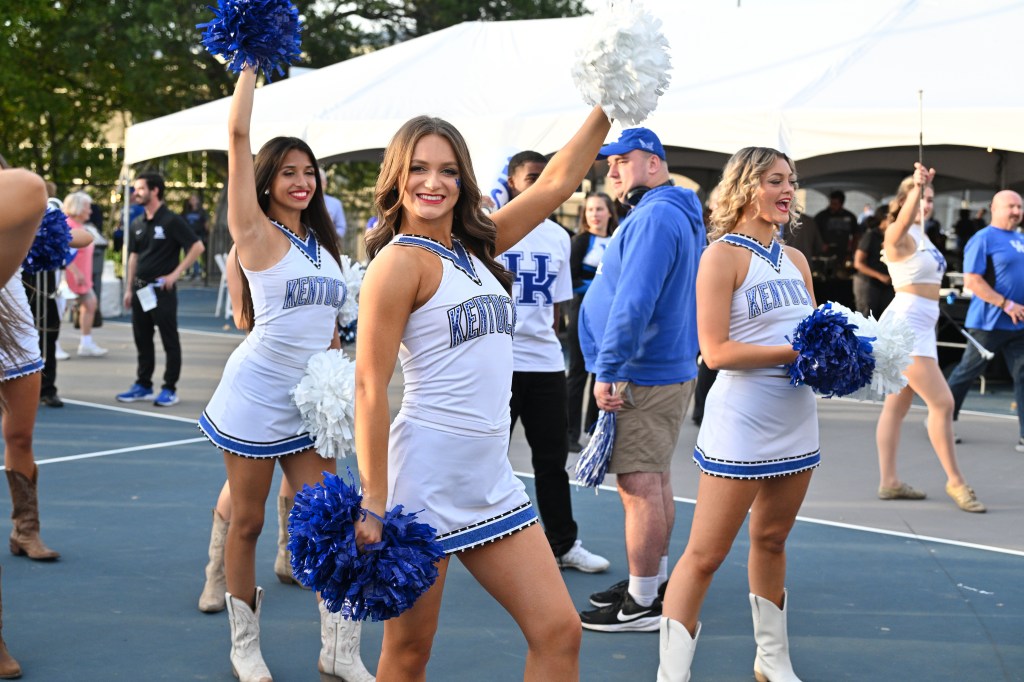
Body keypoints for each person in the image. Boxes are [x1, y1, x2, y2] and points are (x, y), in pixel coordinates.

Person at [354, 101, 610, 678]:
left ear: (464, 180)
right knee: (409, 653)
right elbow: (369, 385)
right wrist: (373, 497)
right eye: (419, 168)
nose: (433, 182)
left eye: (448, 170)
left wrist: (609, 104)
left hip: (491, 475)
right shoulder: (398, 263)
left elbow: (555, 183)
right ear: (397, 177)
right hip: (425, 479)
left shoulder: (478, 246)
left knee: (559, 632)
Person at [195, 66, 373, 682]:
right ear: (266, 181)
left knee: (333, 521)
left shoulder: (323, 246)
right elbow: (237, 136)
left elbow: (330, 327)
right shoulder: (254, 233)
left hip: (309, 403)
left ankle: (339, 651)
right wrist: (249, 68)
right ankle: (245, 648)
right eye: (289, 172)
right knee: (247, 522)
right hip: (254, 395)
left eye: (309, 172)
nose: (302, 181)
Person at [658, 147, 817, 681]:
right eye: (775, 180)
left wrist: (844, 359)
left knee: (772, 540)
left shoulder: (796, 260)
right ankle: (671, 675)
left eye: (791, 180)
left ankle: (773, 660)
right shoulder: (721, 256)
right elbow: (716, 351)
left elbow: (817, 336)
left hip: (796, 416)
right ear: (747, 186)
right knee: (705, 554)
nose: (787, 189)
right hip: (743, 420)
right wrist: (794, 354)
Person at [577, 127, 704, 633]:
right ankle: (651, 583)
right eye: (609, 163)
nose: (611, 171)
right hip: (660, 367)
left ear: (653, 163)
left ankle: (643, 602)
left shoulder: (655, 217)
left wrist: (608, 369)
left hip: (643, 371)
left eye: (622, 161)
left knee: (640, 486)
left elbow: (635, 302)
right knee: (655, 481)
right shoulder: (669, 212)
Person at [500, 151, 609, 574]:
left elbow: (556, 308)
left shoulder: (559, 237)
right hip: (498, 363)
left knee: (552, 460)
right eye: (532, 177)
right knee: (488, 458)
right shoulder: (490, 228)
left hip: (544, 362)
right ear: (512, 182)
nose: (542, 182)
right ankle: (476, 539)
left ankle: (563, 543)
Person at [197, 245, 312, 617]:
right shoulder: (247, 246)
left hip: (310, 377)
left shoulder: (319, 246)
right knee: (243, 487)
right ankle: (216, 573)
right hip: (264, 380)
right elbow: (242, 317)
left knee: (301, 473)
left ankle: (289, 555)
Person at [874, 164, 985, 513]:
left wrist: (920, 191)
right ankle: (956, 481)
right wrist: (917, 189)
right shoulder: (898, 233)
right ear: (904, 201)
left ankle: (889, 482)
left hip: (923, 324)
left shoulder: (923, 235)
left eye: (931, 199)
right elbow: (904, 220)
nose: (927, 204)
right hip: (906, 325)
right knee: (943, 403)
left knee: (897, 405)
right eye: (921, 198)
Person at [0, 160, 50, 681]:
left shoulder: (16, 205)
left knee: (20, 435)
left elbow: (77, 233)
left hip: (12, 336)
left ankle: (25, 530)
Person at [116, 172, 204, 407]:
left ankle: (169, 388)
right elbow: (133, 257)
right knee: (142, 339)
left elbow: (197, 246)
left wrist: (175, 274)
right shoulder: (137, 222)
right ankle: (143, 385)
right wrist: (128, 289)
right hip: (140, 290)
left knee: (169, 340)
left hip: (161, 291)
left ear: (155, 190)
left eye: (140, 189)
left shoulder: (171, 220)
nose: (136, 193)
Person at [947, 190, 1024, 452]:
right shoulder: (983, 239)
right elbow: (972, 280)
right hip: (988, 323)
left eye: (1020, 206)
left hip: (1018, 323)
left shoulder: (1020, 239)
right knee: (967, 372)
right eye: (1011, 206)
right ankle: (942, 421)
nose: (1017, 211)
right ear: (995, 208)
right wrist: (1006, 304)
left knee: (1023, 375)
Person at [566, 192, 617, 450]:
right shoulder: (580, 241)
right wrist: (599, 287)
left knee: (602, 371)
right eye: (589, 210)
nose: (594, 214)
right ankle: (569, 433)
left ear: (609, 212)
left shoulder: (618, 238)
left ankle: (595, 430)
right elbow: (569, 279)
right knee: (578, 372)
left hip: (609, 315)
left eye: (599, 209)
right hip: (583, 312)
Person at [63, 191, 108, 357]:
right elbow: (63, 253)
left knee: (89, 304)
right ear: (78, 208)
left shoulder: (78, 226)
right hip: (72, 277)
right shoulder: (69, 226)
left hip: (81, 277)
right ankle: (54, 344)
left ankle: (85, 342)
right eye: (87, 207)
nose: (90, 211)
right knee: (62, 309)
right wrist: (75, 272)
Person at [814, 189, 859, 307]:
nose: (832, 206)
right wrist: (820, 245)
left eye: (835, 204)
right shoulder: (821, 216)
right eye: (831, 203)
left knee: (841, 279)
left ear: (841, 203)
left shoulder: (850, 217)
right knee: (824, 280)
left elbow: (856, 236)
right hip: (825, 255)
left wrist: (852, 252)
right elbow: (814, 233)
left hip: (843, 255)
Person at [852, 205, 894, 317]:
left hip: (887, 286)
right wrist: (880, 276)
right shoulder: (871, 235)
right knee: (867, 319)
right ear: (884, 219)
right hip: (868, 285)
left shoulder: (893, 237)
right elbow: (858, 263)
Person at [181, 194, 209, 281]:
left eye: (194, 199)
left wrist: (206, 234)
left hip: (198, 236)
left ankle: (197, 273)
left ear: (198, 201)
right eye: (191, 199)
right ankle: (188, 272)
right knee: (187, 254)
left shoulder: (202, 212)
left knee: (196, 254)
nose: (193, 201)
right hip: (187, 236)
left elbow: (206, 224)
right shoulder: (186, 212)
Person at [320, 168, 347, 244]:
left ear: (325, 183)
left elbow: (341, 227)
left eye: (320, 182)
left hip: (329, 244)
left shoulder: (335, 203)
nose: (318, 185)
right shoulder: (304, 203)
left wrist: (332, 238)